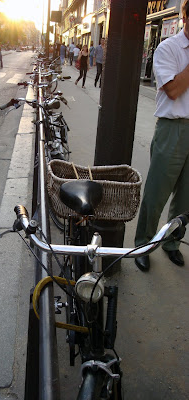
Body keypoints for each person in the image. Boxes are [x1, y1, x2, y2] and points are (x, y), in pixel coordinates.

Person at [134, 0, 189, 272]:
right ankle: (143, 244)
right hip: (172, 128)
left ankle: (172, 242)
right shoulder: (168, 48)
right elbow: (174, 90)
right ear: (184, 17)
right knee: (157, 193)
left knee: (186, 196)